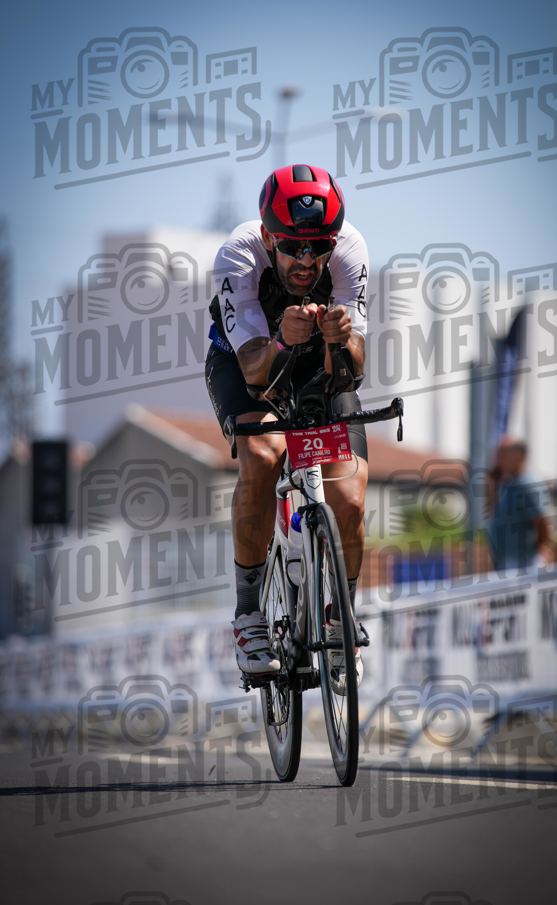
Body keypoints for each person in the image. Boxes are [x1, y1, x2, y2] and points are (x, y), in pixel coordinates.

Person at [205, 164, 369, 686]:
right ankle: (249, 612)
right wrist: (280, 338)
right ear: (269, 237)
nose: (306, 260)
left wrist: (342, 339)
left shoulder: (349, 250)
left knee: (352, 496)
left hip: (315, 364)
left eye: (317, 246)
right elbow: (255, 367)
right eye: (293, 247)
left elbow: (354, 372)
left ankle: (340, 615)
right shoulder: (239, 253)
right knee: (261, 455)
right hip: (247, 360)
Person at [488, 437, 557, 573]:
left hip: (523, 564)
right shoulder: (510, 483)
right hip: (509, 564)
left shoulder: (528, 484)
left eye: (503, 453)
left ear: (519, 455)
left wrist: (540, 554)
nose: (498, 459)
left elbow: (544, 524)